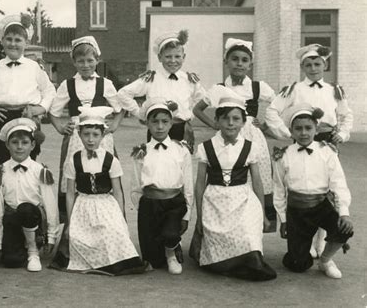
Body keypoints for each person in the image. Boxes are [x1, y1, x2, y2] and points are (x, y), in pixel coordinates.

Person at [265, 44, 354, 257]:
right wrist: (286, 133)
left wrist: (341, 134)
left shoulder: (334, 90)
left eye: (317, 64)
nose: (313, 68)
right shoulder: (295, 89)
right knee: (303, 183)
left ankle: (321, 243)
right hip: (301, 137)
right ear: (302, 67)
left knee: (327, 192)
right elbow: (271, 111)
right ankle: (306, 240)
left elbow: (346, 115)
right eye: (308, 65)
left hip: (326, 142)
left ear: (325, 64)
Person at [192, 38, 277, 232]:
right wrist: (215, 124)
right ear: (226, 61)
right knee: (231, 181)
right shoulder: (218, 88)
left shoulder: (257, 87)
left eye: (244, 60)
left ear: (250, 63)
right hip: (227, 137)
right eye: (235, 59)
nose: (240, 63)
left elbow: (279, 104)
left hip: (253, 138)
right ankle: (228, 229)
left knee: (257, 180)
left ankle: (255, 230)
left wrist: (265, 125)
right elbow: (197, 110)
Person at [192, 96, 276, 281]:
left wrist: (262, 213)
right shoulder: (206, 147)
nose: (230, 123)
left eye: (236, 119)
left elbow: (257, 182)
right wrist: (199, 216)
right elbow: (199, 184)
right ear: (217, 121)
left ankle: (250, 260)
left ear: (244, 122)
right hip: (215, 199)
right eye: (225, 118)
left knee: (248, 235)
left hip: (243, 198)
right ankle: (227, 263)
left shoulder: (250, 147)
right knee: (217, 254)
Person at [59, 106, 146, 276]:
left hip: (106, 204)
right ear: (79, 135)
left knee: (113, 232)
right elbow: (70, 193)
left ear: (102, 135)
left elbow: (118, 192)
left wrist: (120, 218)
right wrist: (70, 222)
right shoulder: (74, 160)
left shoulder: (110, 160)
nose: (90, 140)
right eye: (86, 134)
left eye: (95, 135)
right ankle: (92, 262)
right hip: (83, 205)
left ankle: (109, 263)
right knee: (79, 238)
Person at [48, 36, 125, 222]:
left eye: (90, 60)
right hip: (76, 134)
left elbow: (120, 107)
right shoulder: (68, 85)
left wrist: (114, 124)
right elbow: (53, 111)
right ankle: (72, 223)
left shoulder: (105, 84)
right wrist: (60, 126)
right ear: (74, 62)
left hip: (101, 134)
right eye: (80, 61)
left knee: (106, 170)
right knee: (74, 173)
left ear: (97, 60)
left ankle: (113, 219)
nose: (85, 65)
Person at [273, 103, 354, 279]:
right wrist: (283, 219)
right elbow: (278, 189)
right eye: (298, 129)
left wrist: (344, 213)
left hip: (320, 206)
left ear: (316, 129)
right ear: (291, 131)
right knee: (298, 265)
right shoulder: (283, 155)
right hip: (296, 211)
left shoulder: (327, 152)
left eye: (308, 128)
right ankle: (300, 249)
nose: (303, 133)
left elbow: (338, 183)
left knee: (344, 229)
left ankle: (325, 260)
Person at [0, 14, 55, 165]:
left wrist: (40, 109)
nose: (13, 44)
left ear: (26, 43)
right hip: (0, 117)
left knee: (28, 162)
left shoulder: (34, 67)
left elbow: (49, 91)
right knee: (2, 162)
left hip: (27, 116)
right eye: (9, 39)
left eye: (18, 40)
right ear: (2, 41)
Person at [131, 97, 193, 275]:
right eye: (154, 122)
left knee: (170, 233)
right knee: (153, 262)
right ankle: (164, 248)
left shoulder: (181, 150)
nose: (159, 127)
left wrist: (187, 215)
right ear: (147, 124)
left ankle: (172, 251)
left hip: (174, 202)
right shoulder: (141, 151)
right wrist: (143, 209)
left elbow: (187, 184)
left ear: (171, 123)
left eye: (164, 122)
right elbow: (135, 185)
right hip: (150, 203)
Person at [0, 118, 60, 272]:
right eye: (14, 142)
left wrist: (51, 236)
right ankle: (19, 245)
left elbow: (50, 204)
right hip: (12, 220)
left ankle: (33, 250)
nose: (19, 147)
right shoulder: (0, 172)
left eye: (25, 142)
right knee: (11, 261)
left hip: (32, 217)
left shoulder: (40, 170)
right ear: (7, 144)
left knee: (26, 208)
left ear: (33, 145)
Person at [117, 30, 205, 151]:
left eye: (177, 56)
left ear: (184, 57)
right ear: (159, 57)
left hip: (182, 129)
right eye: (168, 56)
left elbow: (202, 99)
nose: (173, 61)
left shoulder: (189, 80)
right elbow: (123, 94)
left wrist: (190, 115)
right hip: (157, 129)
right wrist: (140, 114)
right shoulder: (151, 79)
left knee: (182, 164)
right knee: (157, 163)